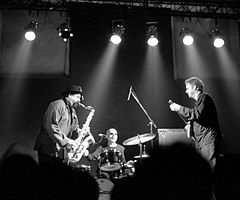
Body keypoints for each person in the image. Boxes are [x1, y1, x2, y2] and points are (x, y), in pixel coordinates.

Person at [33, 85, 94, 174]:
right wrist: (68, 141)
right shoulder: (57, 105)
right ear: (69, 95)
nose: (79, 101)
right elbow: (51, 127)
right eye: (77, 97)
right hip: (49, 149)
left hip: (60, 151)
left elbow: (74, 126)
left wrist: (81, 131)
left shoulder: (72, 110)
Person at [169, 77, 222, 169]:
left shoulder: (204, 97)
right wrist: (191, 126)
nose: (186, 91)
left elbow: (196, 114)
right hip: (202, 142)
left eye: (187, 88)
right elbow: (200, 118)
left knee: (209, 170)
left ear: (195, 87)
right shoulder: (199, 102)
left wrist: (179, 108)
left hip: (207, 141)